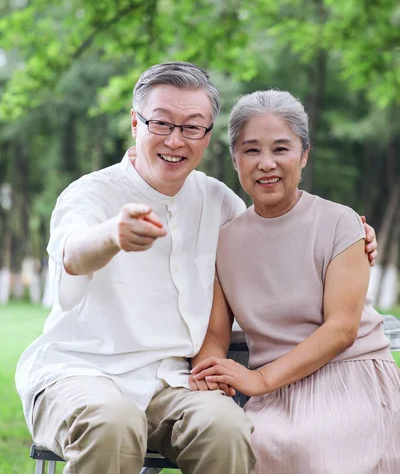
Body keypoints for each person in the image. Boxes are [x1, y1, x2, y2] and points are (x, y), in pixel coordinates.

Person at [16, 64, 376, 474]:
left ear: (207, 137)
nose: (175, 140)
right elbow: (71, 254)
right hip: (81, 374)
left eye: (192, 128)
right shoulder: (90, 194)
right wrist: (113, 236)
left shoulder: (218, 201)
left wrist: (351, 236)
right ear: (136, 123)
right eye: (161, 123)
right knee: (111, 424)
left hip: (174, 382)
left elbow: (272, 247)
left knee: (226, 427)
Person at [190, 89, 400, 474]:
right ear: (234, 159)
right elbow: (215, 334)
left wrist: (260, 378)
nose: (266, 163)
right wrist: (211, 370)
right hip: (273, 393)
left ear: (303, 155)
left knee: (311, 449)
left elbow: (342, 329)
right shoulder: (224, 240)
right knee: (244, 443)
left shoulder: (340, 223)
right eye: (251, 150)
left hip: (349, 376)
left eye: (281, 149)